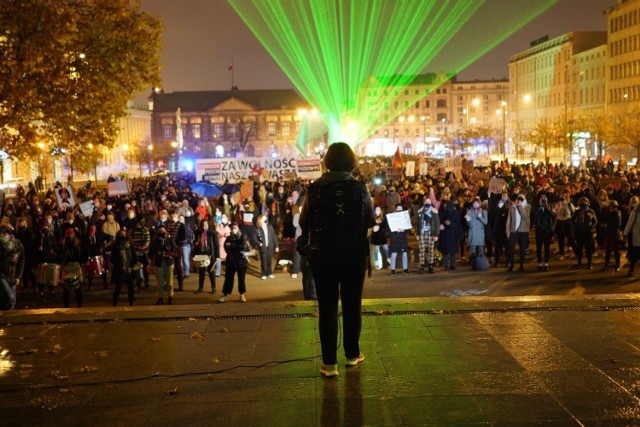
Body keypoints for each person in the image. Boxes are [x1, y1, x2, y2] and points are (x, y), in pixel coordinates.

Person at [299, 142, 373, 378]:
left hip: (323, 255)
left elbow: (303, 222)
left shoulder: (316, 189)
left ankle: (329, 363)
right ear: (351, 161)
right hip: (354, 254)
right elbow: (370, 219)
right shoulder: (360, 188)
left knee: (327, 307)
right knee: (352, 305)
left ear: (327, 161)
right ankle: (352, 355)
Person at [219, 222, 250, 303]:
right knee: (228, 279)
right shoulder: (229, 238)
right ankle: (225, 295)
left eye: (235, 228)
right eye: (232, 228)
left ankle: (242, 294)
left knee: (241, 279)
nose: (233, 230)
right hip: (231, 261)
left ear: (238, 228)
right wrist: (235, 247)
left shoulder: (242, 236)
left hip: (241, 261)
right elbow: (226, 247)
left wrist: (232, 245)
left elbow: (242, 247)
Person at [149, 225, 177, 305]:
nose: (162, 232)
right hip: (158, 263)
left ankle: (170, 296)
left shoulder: (169, 239)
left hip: (168, 262)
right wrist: (151, 263)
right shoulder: (155, 241)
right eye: (160, 231)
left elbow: (174, 250)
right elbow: (151, 253)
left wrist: (171, 253)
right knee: (160, 282)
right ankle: (160, 297)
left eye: (163, 231)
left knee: (169, 281)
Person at [0, 225, 25, 310]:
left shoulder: (18, 244)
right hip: (2, 275)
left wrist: (18, 277)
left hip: (13, 276)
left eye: (4, 233)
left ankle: (6, 319)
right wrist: (9, 258)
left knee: (11, 301)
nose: (2, 236)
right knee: (10, 298)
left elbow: (22, 261)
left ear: (9, 234)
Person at [193, 220, 220, 294]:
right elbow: (195, 241)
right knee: (201, 272)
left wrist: (217, 256)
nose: (204, 225)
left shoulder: (213, 233)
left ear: (209, 224)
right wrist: (195, 243)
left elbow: (216, 245)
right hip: (201, 254)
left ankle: (213, 288)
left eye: (206, 224)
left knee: (211, 271)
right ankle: (200, 288)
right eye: (203, 224)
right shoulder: (198, 232)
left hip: (210, 254)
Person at [506, 194, 531, 272]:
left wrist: (520, 206)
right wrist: (507, 231)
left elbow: (525, 216)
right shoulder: (512, 207)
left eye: (522, 199)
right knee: (510, 248)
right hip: (513, 230)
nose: (520, 200)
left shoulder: (527, 206)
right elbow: (508, 220)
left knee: (522, 249)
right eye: (519, 198)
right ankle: (512, 264)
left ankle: (521, 265)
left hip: (523, 231)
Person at [438, 193, 463, 271]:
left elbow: (455, 222)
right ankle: (446, 265)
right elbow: (440, 220)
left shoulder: (454, 213)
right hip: (445, 234)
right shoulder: (442, 212)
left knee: (452, 251)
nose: (445, 207)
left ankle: (453, 264)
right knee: (445, 251)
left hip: (452, 234)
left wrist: (446, 224)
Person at [110, 229, 135, 306]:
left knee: (131, 288)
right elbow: (112, 258)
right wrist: (119, 265)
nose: (123, 236)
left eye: (124, 234)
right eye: (121, 234)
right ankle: (114, 304)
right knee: (118, 288)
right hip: (120, 270)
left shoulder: (130, 245)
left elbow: (134, 255)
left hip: (129, 269)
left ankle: (131, 304)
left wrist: (133, 264)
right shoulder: (116, 245)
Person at [572, 196, 598, 270]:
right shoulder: (577, 211)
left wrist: (591, 227)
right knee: (579, 248)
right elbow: (572, 220)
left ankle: (589, 263)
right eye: (582, 201)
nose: (584, 203)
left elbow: (595, 221)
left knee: (588, 249)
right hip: (579, 232)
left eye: (585, 201)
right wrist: (576, 224)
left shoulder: (591, 211)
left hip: (588, 232)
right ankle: (579, 263)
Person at [416, 197, 440, 273]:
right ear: (423, 203)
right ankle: (422, 266)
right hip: (422, 233)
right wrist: (417, 234)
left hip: (431, 233)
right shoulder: (420, 212)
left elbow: (437, 224)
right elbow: (417, 224)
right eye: (426, 202)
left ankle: (430, 265)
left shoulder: (434, 212)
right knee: (422, 250)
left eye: (429, 202)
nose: (427, 204)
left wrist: (436, 235)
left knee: (430, 250)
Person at [533, 195, 555, 271]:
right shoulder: (537, 208)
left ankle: (546, 264)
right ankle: (539, 264)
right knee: (539, 248)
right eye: (541, 198)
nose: (543, 200)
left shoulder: (550, 207)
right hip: (539, 231)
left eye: (544, 198)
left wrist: (546, 207)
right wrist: (539, 207)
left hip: (547, 231)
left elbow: (553, 215)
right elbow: (534, 216)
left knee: (547, 248)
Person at [253, 214, 279, 279]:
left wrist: (277, 246)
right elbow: (254, 238)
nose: (266, 219)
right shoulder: (258, 229)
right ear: (260, 220)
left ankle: (269, 273)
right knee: (264, 261)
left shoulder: (270, 227)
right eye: (264, 218)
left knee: (269, 260)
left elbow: (274, 236)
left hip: (270, 247)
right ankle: (263, 274)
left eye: (266, 218)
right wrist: (259, 244)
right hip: (263, 248)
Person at [388, 204, 410, 276]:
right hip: (394, 238)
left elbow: (408, 229)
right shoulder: (392, 217)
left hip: (402, 238)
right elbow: (388, 229)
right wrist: (394, 230)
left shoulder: (405, 217)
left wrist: (404, 229)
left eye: (401, 208)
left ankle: (405, 269)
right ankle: (393, 270)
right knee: (393, 254)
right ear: (395, 209)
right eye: (398, 208)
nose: (399, 210)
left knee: (404, 254)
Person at [465, 196, 488, 262]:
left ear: (480, 203)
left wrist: (480, 217)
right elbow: (468, 224)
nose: (476, 204)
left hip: (480, 233)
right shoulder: (469, 211)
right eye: (474, 203)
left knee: (481, 250)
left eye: (477, 203)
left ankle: (481, 263)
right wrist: (468, 220)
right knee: (473, 250)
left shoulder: (483, 211)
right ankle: (473, 263)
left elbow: (485, 222)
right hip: (472, 232)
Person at [601, 200, 622, 272]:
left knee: (616, 251)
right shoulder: (608, 213)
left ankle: (617, 265)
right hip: (608, 234)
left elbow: (618, 225)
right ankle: (606, 264)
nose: (611, 208)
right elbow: (604, 220)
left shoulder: (617, 214)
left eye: (613, 207)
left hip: (614, 234)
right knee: (608, 250)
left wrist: (607, 226)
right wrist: (604, 225)